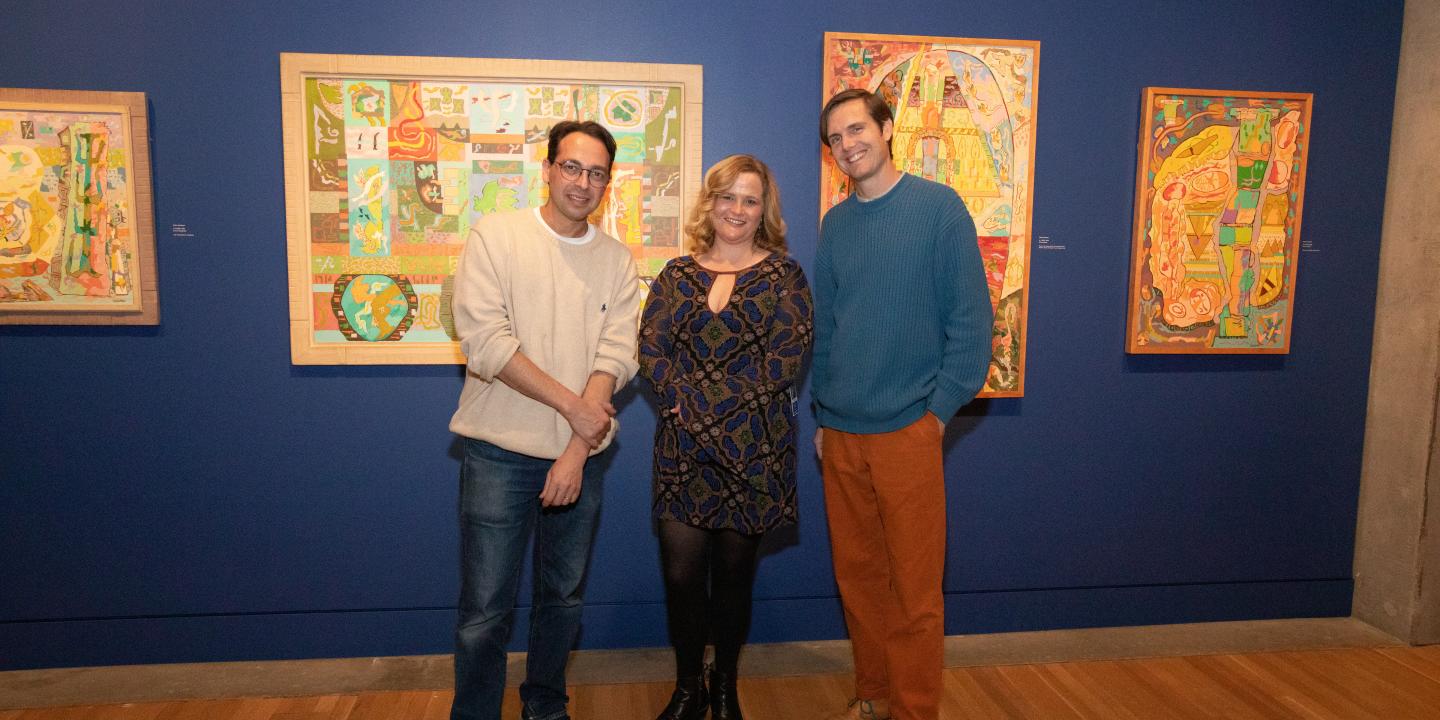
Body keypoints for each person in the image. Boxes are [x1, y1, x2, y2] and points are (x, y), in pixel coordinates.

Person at [448, 120, 641, 720]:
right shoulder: (495, 236)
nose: (583, 183)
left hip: (578, 459)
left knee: (562, 601)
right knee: (485, 611)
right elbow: (486, 342)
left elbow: (616, 355)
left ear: (608, 182)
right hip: (497, 453)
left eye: (597, 173)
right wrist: (574, 408)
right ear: (548, 169)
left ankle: (546, 707)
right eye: (572, 167)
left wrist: (577, 448)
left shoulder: (616, 261)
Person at [812, 89, 993, 720]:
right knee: (859, 585)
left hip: (909, 431)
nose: (848, 145)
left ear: (887, 129)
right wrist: (823, 415)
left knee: (916, 593)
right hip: (840, 436)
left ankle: (914, 710)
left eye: (857, 129)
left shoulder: (939, 210)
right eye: (835, 138)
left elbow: (972, 331)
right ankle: (873, 693)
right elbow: (828, 331)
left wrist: (936, 416)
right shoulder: (836, 225)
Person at [638, 154, 813, 720]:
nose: (737, 209)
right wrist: (691, 409)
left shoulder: (785, 276)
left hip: (753, 454)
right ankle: (689, 686)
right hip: (683, 454)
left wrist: (706, 410)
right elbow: (651, 351)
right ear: (709, 203)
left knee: (735, 581)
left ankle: (726, 685)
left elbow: (784, 362)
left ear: (765, 211)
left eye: (750, 199)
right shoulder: (675, 275)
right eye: (727, 196)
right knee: (682, 577)